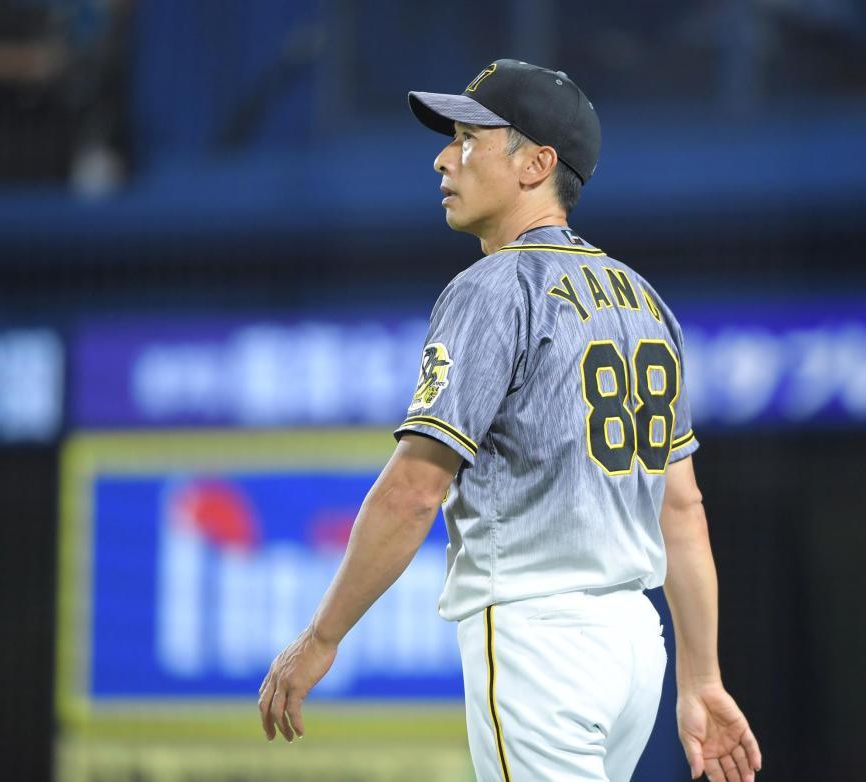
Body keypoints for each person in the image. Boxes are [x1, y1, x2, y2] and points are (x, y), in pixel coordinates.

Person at [259, 58, 762, 782]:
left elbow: (415, 491)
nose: (444, 158)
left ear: (536, 165)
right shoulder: (644, 299)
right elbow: (681, 508)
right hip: (633, 645)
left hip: (538, 637)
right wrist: (701, 675)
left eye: (469, 140)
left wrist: (321, 637)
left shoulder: (494, 287)